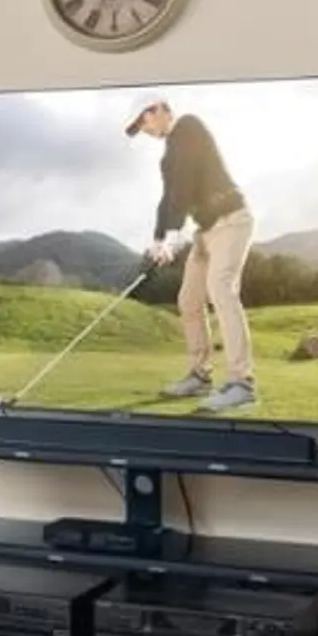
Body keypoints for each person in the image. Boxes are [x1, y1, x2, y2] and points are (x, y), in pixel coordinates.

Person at [128, 98, 256, 411]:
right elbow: (168, 198)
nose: (144, 130)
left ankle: (242, 382)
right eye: (138, 128)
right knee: (188, 301)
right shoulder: (167, 158)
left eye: (143, 122)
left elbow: (184, 183)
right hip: (205, 231)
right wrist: (159, 238)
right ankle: (200, 376)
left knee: (221, 290)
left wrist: (173, 235)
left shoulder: (188, 127)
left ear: (158, 110)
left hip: (231, 220)